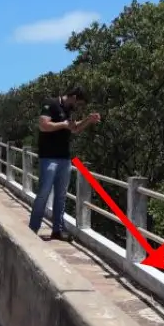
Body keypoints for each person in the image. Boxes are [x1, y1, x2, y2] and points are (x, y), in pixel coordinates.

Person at [28, 87, 101, 239]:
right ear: (73, 97)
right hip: (49, 157)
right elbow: (43, 125)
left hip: (64, 158)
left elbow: (74, 128)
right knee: (43, 194)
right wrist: (63, 124)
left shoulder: (68, 111)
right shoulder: (51, 103)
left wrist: (88, 120)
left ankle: (57, 230)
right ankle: (32, 229)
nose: (78, 107)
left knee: (61, 196)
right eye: (79, 103)